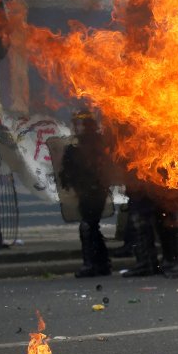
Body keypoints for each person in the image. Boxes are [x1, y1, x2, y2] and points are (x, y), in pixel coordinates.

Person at [60, 110, 111, 277]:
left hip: (96, 190)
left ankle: (92, 264)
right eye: (77, 124)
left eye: (82, 124)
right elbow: (66, 172)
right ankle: (101, 263)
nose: (78, 127)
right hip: (83, 191)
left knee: (88, 226)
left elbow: (103, 168)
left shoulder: (97, 145)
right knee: (92, 226)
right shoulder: (74, 148)